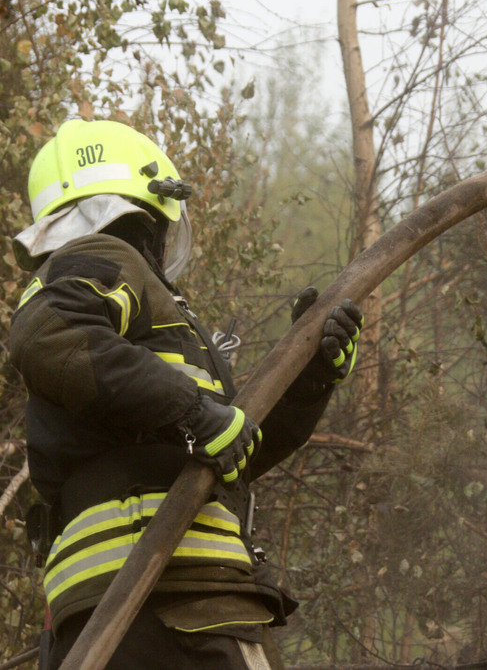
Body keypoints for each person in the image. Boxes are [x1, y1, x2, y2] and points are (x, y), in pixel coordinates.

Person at [8, 118, 363, 669]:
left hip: (110, 615)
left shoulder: (148, 332)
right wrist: (196, 412)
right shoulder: (104, 257)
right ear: (146, 212)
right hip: (173, 605)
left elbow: (234, 452)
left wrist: (307, 383)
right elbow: (46, 333)